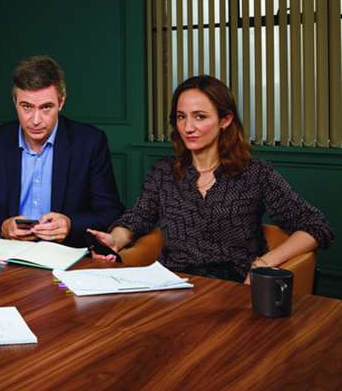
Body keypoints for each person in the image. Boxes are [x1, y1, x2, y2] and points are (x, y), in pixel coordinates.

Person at [89, 75, 334, 283]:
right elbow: (137, 219)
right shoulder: (163, 172)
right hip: (174, 285)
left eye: (200, 116)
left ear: (225, 120)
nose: (187, 127)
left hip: (237, 289)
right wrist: (115, 239)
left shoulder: (256, 173)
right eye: (181, 117)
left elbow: (316, 226)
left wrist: (265, 262)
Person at [0, 55, 124, 247]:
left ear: (62, 102)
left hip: (65, 256)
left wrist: (70, 225)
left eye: (46, 107)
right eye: (26, 107)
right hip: (8, 255)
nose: (35, 120)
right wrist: (3, 226)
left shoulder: (90, 142)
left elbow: (111, 213)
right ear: (15, 102)